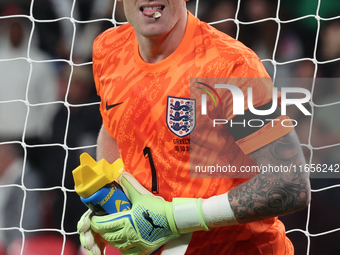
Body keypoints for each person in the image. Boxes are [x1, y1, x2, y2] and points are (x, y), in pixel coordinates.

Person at [77, 0, 310, 254]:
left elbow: (289, 184)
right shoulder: (108, 48)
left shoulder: (231, 66)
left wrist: (175, 218)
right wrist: (111, 210)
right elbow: (113, 129)